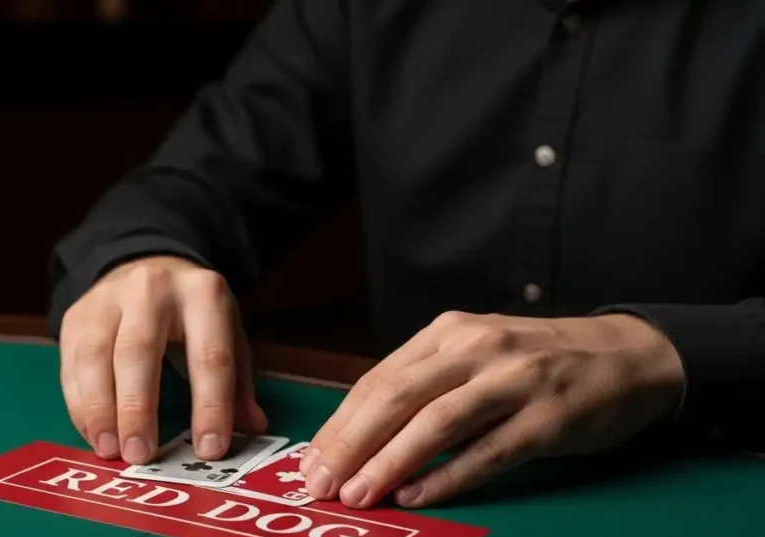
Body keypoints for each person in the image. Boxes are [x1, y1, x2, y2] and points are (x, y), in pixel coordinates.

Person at [47, 0, 765, 510]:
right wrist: (139, 258)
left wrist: (661, 354)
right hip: (402, 488)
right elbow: (197, 179)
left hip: (720, 478)